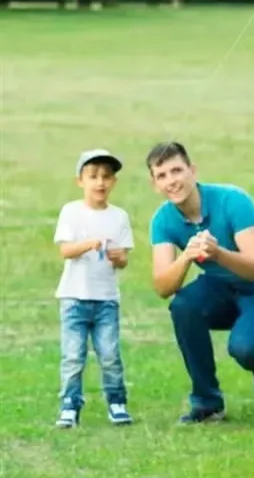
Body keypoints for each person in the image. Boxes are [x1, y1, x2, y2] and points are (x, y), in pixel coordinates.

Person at [146, 141, 254, 425]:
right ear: (154, 184)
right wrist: (186, 257)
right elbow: (163, 287)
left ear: (192, 171)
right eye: (162, 176)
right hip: (223, 286)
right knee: (183, 307)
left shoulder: (232, 200)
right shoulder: (163, 220)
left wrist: (218, 254)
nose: (172, 181)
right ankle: (207, 404)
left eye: (177, 171)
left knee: (246, 348)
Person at [53, 148, 135, 428]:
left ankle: (116, 402)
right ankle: (69, 405)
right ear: (81, 181)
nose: (100, 182)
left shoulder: (119, 217)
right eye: (93, 176)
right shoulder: (71, 212)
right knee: (73, 356)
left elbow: (123, 259)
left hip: (106, 299)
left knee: (110, 355)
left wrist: (118, 257)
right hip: (74, 297)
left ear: (114, 182)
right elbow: (65, 250)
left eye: (106, 177)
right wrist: (89, 244)